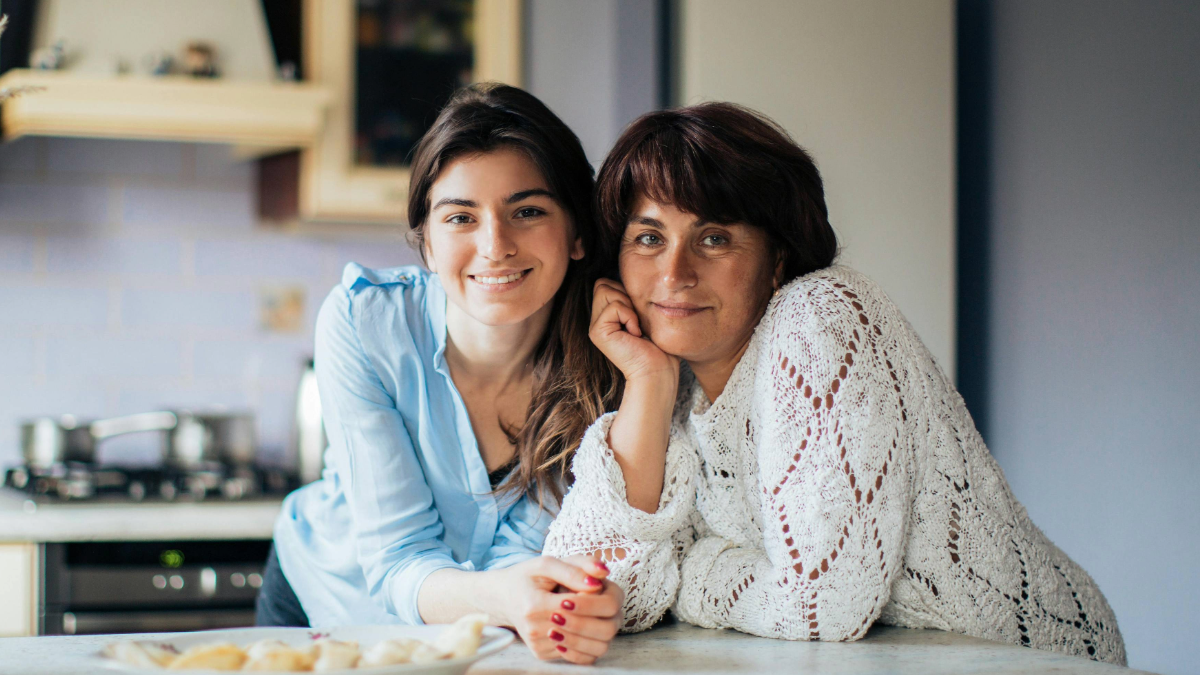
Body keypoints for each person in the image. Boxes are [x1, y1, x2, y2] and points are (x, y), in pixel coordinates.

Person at [543, 102, 1127, 664]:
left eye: (714, 237)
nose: (675, 273)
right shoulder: (672, 385)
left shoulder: (820, 316)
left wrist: (691, 571)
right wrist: (646, 383)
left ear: (777, 260)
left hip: (1035, 656)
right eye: (648, 239)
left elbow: (823, 607)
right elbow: (585, 594)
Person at [260, 84, 624, 665]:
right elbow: (399, 556)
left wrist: (525, 596)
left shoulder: (610, 361)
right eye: (461, 217)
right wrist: (507, 596)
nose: (495, 246)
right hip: (327, 601)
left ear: (577, 233)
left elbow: (531, 560)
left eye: (527, 211)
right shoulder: (364, 322)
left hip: (483, 630)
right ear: (426, 242)